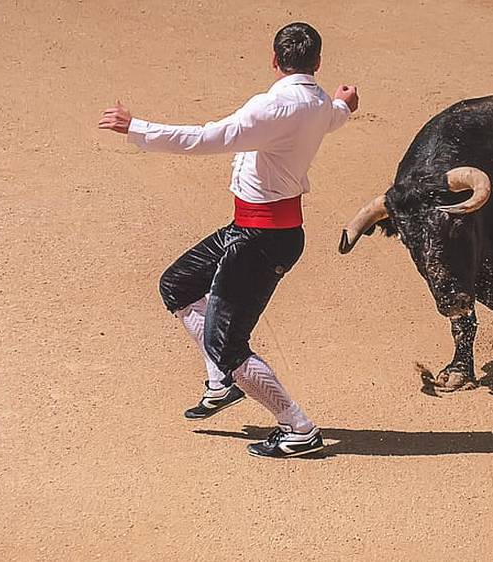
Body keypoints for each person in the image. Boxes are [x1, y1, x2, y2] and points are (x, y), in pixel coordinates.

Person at [98, 22, 358, 458]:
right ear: (317, 64)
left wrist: (135, 126)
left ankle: (298, 428)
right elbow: (334, 115)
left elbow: (206, 138)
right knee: (177, 285)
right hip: (259, 229)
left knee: (227, 344)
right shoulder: (318, 103)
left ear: (275, 60)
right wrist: (346, 105)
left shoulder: (274, 107)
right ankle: (222, 383)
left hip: (259, 238)